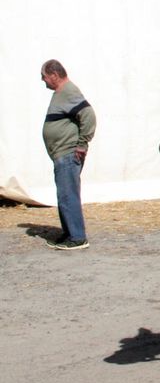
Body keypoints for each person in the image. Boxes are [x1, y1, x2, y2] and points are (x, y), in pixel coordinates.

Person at [40, 59, 96, 250]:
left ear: (54, 75)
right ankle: (70, 233)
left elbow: (88, 115)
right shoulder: (62, 94)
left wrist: (82, 145)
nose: (43, 80)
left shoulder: (69, 91)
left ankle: (78, 238)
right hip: (62, 155)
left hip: (67, 154)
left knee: (68, 195)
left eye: (44, 76)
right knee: (64, 194)